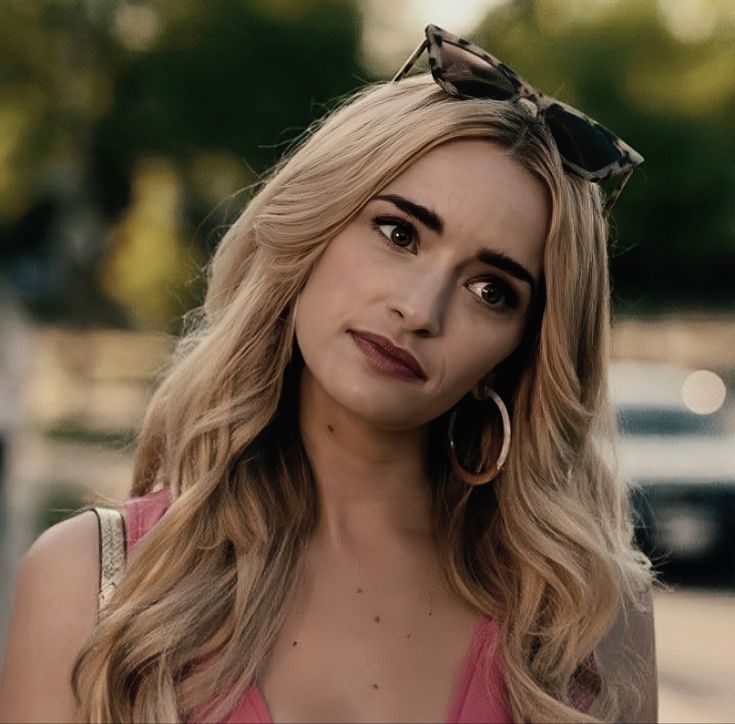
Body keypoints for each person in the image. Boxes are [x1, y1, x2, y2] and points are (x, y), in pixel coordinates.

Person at [0, 25, 656, 724]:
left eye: (491, 290)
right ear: (314, 227)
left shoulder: (585, 623)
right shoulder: (94, 581)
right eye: (398, 233)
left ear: (521, 352)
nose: (418, 309)